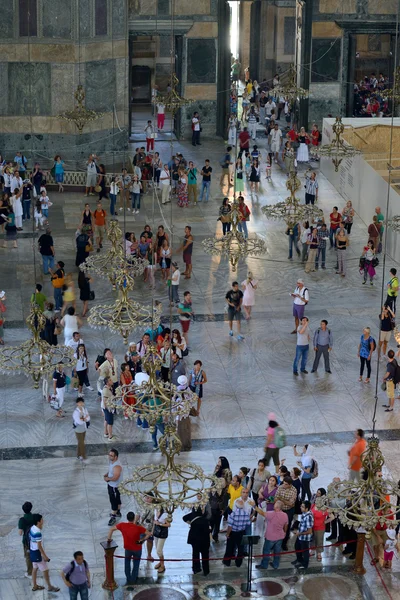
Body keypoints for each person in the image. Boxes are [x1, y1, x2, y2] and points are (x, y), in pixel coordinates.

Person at [107, 511, 152, 586]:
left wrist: (109, 539)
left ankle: (128, 577)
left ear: (127, 518)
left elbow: (111, 529)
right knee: (136, 564)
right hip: (137, 549)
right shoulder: (138, 528)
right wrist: (141, 540)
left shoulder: (122, 525)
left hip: (128, 549)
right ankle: (133, 579)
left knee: (127, 563)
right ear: (134, 518)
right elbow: (149, 534)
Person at [29, 514, 60, 592]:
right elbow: (39, 546)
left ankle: (35, 585)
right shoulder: (38, 532)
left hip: (32, 552)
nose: (43, 521)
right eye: (42, 520)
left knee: (35, 569)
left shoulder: (32, 528)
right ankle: (49, 587)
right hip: (37, 554)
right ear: (38, 522)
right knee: (45, 570)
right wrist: (45, 556)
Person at [255, 500, 288, 570]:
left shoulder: (272, 514)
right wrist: (284, 532)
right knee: (277, 551)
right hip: (280, 536)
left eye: (275, 504)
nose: (273, 504)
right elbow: (286, 525)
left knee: (266, 551)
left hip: (270, 537)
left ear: (277, 507)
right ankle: (275, 565)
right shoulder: (285, 515)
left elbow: (261, 512)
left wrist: (254, 506)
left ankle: (264, 565)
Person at [182, 506, 211, 576]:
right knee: (205, 556)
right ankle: (206, 570)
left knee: (195, 554)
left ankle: (196, 569)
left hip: (194, 539)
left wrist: (190, 523)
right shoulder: (205, 520)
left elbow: (184, 517)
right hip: (204, 540)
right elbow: (207, 531)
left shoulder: (192, 515)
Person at [222, 500, 251, 567]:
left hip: (233, 533)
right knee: (240, 549)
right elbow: (248, 523)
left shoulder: (233, 514)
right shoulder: (246, 514)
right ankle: (238, 563)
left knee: (229, 548)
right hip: (241, 533)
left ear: (235, 506)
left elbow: (230, 526)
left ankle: (227, 562)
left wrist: (228, 534)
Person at [292, 501, 314, 569]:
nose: (300, 507)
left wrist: (299, 533)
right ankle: (299, 560)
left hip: (304, 537)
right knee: (297, 547)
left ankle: (305, 564)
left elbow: (309, 531)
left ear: (306, 508)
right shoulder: (304, 513)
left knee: (305, 551)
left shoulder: (309, 517)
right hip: (300, 536)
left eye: (302, 507)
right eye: (301, 506)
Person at [104, 448, 123, 526]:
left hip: (114, 486)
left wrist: (107, 479)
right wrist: (107, 474)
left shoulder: (117, 466)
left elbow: (116, 477)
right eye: (109, 455)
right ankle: (118, 512)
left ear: (116, 457)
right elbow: (111, 471)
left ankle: (113, 517)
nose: (109, 456)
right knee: (117, 499)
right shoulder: (112, 462)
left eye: (111, 455)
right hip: (113, 486)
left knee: (113, 501)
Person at [18, 501, 36, 578]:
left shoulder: (22, 520)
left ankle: (30, 573)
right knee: (34, 553)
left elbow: (20, 533)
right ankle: (35, 568)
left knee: (28, 556)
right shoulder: (34, 517)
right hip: (35, 539)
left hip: (26, 541)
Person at [311, 489, 329, 561]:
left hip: (320, 527)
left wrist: (325, 522)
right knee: (312, 539)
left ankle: (319, 553)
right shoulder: (313, 505)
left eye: (319, 493)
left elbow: (332, 517)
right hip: (312, 526)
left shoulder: (325, 508)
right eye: (317, 492)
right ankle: (312, 549)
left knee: (319, 540)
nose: (317, 494)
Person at [72, 398, 90, 463]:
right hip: (78, 429)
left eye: (82, 402)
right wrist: (84, 419)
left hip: (84, 428)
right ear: (77, 403)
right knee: (82, 443)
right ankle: (83, 456)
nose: (81, 404)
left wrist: (85, 419)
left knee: (80, 442)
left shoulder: (85, 409)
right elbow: (78, 421)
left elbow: (88, 418)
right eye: (79, 403)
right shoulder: (75, 412)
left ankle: (78, 455)